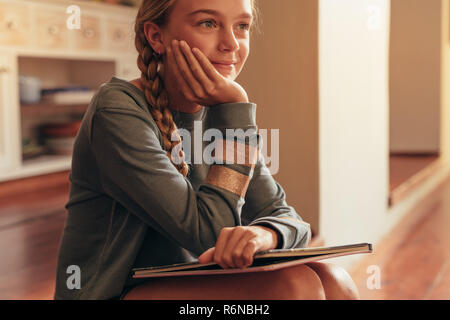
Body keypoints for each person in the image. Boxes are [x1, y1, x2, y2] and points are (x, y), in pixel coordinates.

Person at [54, 0, 359, 300]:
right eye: (208, 23)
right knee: (294, 286)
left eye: (242, 26)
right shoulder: (118, 111)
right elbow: (209, 234)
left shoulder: (221, 112)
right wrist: (236, 111)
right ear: (156, 36)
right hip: (108, 293)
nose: (231, 43)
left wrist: (264, 234)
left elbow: (288, 219)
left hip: (188, 281)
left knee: (335, 280)